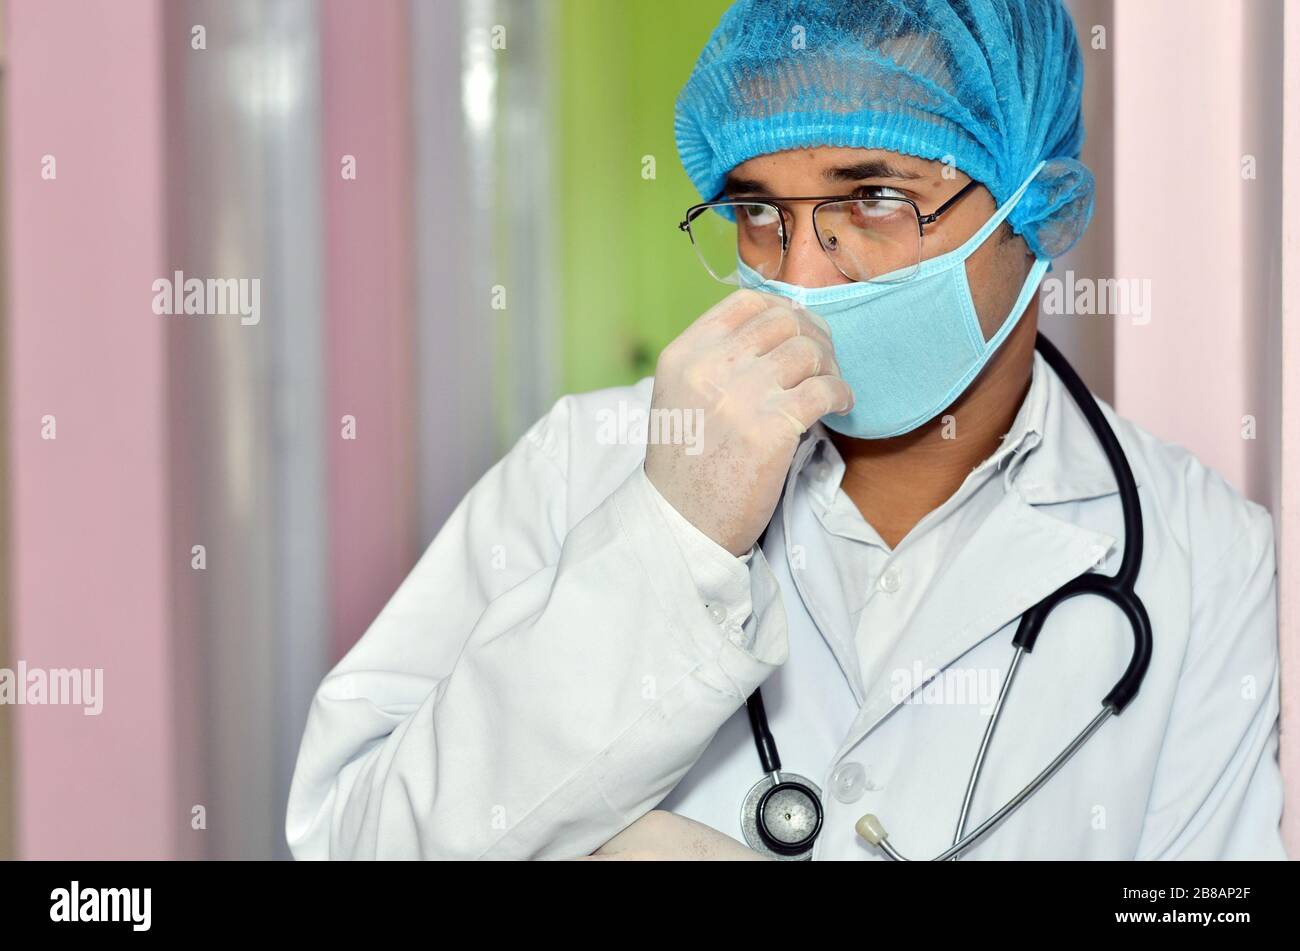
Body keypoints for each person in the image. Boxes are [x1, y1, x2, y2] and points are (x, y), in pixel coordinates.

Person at [285, 0, 1286, 860]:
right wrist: (670, 541)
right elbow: (352, 842)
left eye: (875, 199)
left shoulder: (1201, 553)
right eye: (758, 211)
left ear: (1038, 204)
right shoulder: (581, 466)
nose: (799, 274)